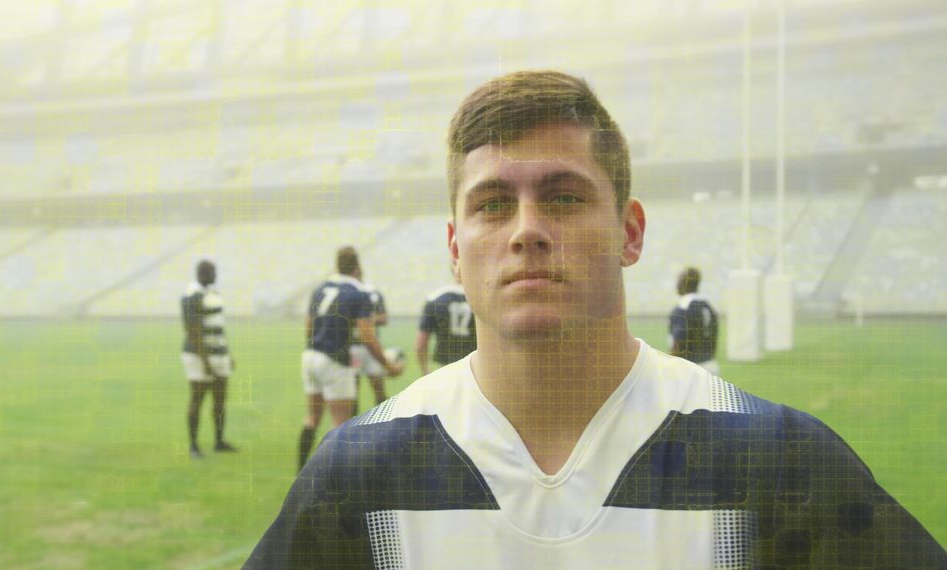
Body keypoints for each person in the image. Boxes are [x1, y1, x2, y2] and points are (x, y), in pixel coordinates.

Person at [245, 71, 945, 568]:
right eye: (492, 203)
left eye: (565, 197)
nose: (527, 230)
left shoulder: (779, 460)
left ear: (630, 233)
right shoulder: (357, 475)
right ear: (455, 250)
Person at [297, 247, 404, 473]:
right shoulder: (359, 293)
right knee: (341, 424)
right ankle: (335, 480)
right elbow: (367, 336)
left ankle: (301, 471)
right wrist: (388, 365)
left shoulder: (320, 289)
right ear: (357, 267)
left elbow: (308, 326)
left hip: (310, 355)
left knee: (312, 417)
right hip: (334, 359)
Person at [180, 260, 237, 459]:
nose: (215, 274)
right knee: (197, 398)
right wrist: (205, 361)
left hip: (219, 354)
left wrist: (227, 354)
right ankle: (194, 445)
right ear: (202, 273)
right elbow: (192, 330)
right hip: (198, 356)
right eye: (212, 271)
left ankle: (219, 441)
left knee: (220, 400)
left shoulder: (214, 294)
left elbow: (218, 327)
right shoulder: (192, 295)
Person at [415, 281, 477, 375]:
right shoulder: (481, 298)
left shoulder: (434, 298)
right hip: (476, 368)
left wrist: (425, 369)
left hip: (445, 366)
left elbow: (421, 343)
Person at [668, 266, 720, 375]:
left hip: (690, 370)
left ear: (683, 282)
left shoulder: (683, 308)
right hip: (711, 366)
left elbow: (678, 342)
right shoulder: (708, 306)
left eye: (678, 279)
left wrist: (671, 367)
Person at [349, 278, 391, 408]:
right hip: (352, 348)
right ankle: (350, 426)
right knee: (351, 393)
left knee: (379, 389)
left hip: (372, 348)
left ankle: (382, 423)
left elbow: (384, 318)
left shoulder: (374, 294)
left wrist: (366, 319)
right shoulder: (346, 294)